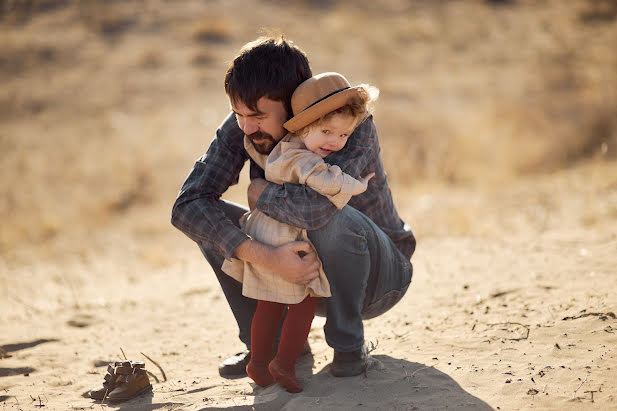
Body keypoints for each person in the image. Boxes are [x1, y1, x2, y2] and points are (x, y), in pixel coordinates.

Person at [171, 34, 415, 380]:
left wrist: (259, 194)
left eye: (256, 115)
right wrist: (265, 256)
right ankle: (268, 347)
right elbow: (187, 205)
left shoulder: (347, 122)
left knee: (333, 214)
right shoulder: (243, 124)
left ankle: (348, 347)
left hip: (378, 280)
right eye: (238, 113)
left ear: (293, 105)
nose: (246, 126)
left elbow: (315, 212)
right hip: (295, 281)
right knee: (212, 223)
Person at [221, 72, 378, 393]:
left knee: (270, 301)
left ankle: (259, 361)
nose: (335, 142)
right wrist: (357, 184)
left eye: (344, 135)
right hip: (285, 234)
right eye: (326, 132)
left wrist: (258, 192)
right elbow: (327, 181)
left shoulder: (282, 150)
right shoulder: (303, 158)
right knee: (307, 297)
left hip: (266, 227)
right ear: (302, 128)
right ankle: (285, 363)